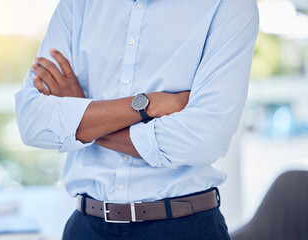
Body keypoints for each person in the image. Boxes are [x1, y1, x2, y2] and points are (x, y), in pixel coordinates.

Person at [15, 0, 259, 239]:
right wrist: (149, 103)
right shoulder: (78, 4)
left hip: (184, 228)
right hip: (86, 227)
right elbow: (32, 122)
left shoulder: (229, 4)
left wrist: (82, 115)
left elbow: (204, 139)